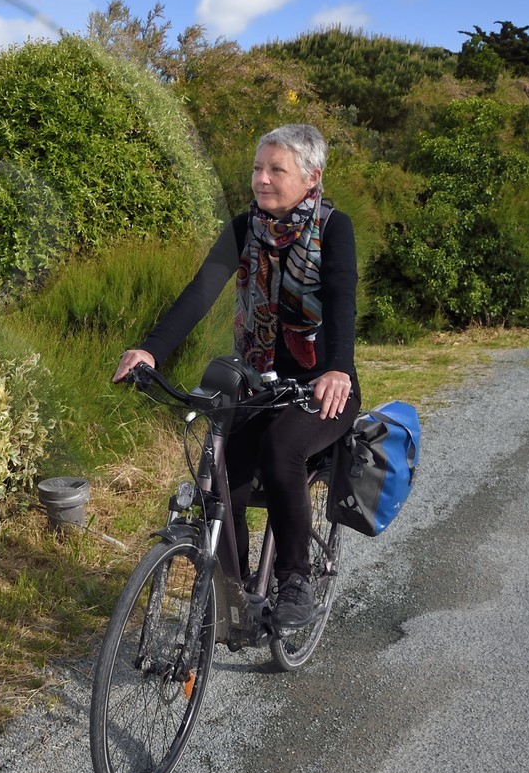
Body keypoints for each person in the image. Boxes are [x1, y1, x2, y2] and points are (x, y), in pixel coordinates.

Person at [112, 123, 360, 631]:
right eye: (256, 168)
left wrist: (338, 368)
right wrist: (152, 351)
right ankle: (238, 594)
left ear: (311, 177)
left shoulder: (334, 228)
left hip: (319, 384)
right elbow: (199, 293)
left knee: (283, 447)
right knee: (221, 475)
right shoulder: (246, 227)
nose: (261, 179)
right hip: (257, 380)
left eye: (275, 169)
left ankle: (294, 579)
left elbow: (340, 301)